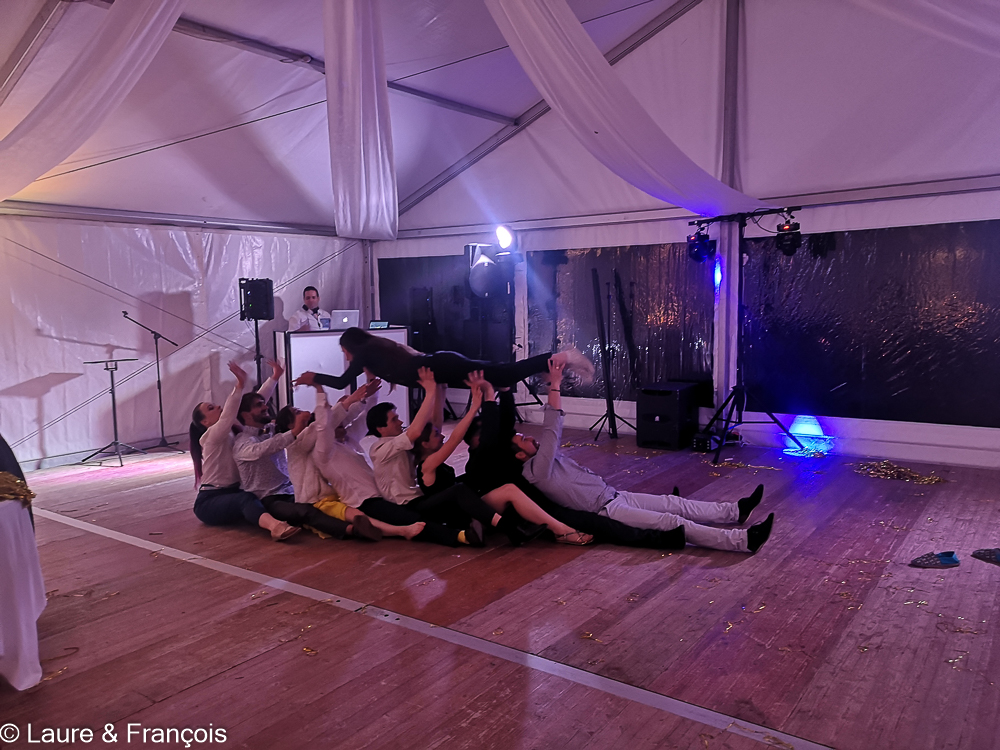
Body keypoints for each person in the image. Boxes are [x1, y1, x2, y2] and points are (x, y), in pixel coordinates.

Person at [513, 360, 774, 554]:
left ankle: (734, 511)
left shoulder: (544, 461)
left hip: (615, 495)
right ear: (520, 455)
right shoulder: (536, 472)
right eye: (523, 439)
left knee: (674, 503)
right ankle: (742, 541)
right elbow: (552, 429)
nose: (530, 438)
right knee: (671, 522)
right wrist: (554, 384)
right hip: (609, 510)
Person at [462, 385, 686, 551]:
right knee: (599, 524)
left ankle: (660, 517)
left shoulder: (496, 449)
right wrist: (489, 397)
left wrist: (504, 391)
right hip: (532, 512)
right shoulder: (480, 459)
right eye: (488, 429)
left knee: (603, 516)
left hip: (543, 501)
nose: (496, 430)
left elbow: (505, 423)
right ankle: (662, 539)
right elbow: (494, 433)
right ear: (477, 440)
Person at [412, 376, 593, 545]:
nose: (441, 435)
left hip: (472, 506)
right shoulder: (429, 466)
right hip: (460, 515)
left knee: (509, 489)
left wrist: (440, 387)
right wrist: (476, 405)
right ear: (425, 444)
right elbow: (455, 440)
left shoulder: (438, 460)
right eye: (436, 435)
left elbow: (439, 421)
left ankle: (548, 527)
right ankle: (560, 530)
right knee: (508, 490)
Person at [307, 379, 471, 548]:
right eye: (336, 420)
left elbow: (368, 416)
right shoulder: (322, 451)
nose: (342, 421)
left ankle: (466, 525)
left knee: (429, 507)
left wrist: (369, 389)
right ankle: (459, 536)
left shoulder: (348, 439)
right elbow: (324, 426)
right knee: (413, 519)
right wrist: (320, 389)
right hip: (364, 502)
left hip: (381, 496)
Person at [275, 380, 424, 541]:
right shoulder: (299, 444)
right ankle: (396, 531)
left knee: (358, 512)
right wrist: (346, 399)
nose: (304, 411)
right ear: (290, 426)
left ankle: (373, 529)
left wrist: (365, 395)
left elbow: (351, 419)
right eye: (297, 412)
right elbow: (325, 424)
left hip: (335, 495)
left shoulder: (336, 438)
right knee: (353, 514)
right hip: (316, 501)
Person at [232, 390, 371, 540]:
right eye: (259, 405)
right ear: (246, 415)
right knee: (305, 511)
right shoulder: (242, 442)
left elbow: (321, 424)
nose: (266, 407)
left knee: (324, 503)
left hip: (292, 491)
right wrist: (293, 432)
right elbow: (260, 450)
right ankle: (354, 530)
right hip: (268, 499)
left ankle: (366, 522)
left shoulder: (273, 430)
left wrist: (350, 403)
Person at [188, 360, 299, 541]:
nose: (218, 406)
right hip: (210, 501)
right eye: (211, 408)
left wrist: (275, 377)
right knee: (246, 499)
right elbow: (229, 414)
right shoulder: (210, 437)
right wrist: (239, 384)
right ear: (205, 422)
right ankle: (276, 528)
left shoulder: (232, 428)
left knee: (256, 497)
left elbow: (254, 405)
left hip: (235, 492)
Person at [293, 326, 594, 391]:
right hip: (441, 366)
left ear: (350, 346)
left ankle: (561, 356)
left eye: (344, 350)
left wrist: (312, 378)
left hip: (441, 366)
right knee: (499, 377)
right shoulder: (373, 350)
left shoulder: (366, 352)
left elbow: (343, 382)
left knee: (504, 374)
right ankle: (548, 363)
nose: (345, 356)